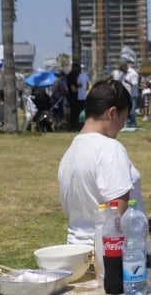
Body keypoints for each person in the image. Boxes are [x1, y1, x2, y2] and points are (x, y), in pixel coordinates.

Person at [58, 79, 143, 245]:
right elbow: (116, 211)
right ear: (112, 113)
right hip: (108, 255)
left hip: (77, 247)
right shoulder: (110, 148)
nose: (122, 126)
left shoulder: (70, 152)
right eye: (123, 118)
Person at [68, 63, 90, 132]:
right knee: (77, 113)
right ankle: (77, 126)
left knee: (76, 113)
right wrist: (80, 87)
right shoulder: (73, 76)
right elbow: (86, 87)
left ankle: (76, 126)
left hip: (78, 97)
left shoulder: (76, 76)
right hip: (78, 97)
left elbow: (85, 87)